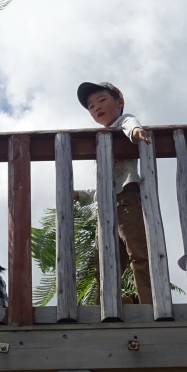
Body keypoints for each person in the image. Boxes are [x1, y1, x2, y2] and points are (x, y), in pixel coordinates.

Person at [75, 81, 153, 304]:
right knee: (104, 262)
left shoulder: (122, 123)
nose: (96, 107)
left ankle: (149, 303)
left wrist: (136, 132)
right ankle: (108, 305)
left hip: (126, 200)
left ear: (119, 102)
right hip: (104, 207)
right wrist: (82, 195)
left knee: (138, 253)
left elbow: (131, 122)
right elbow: (103, 186)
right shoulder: (101, 139)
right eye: (91, 106)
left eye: (102, 100)